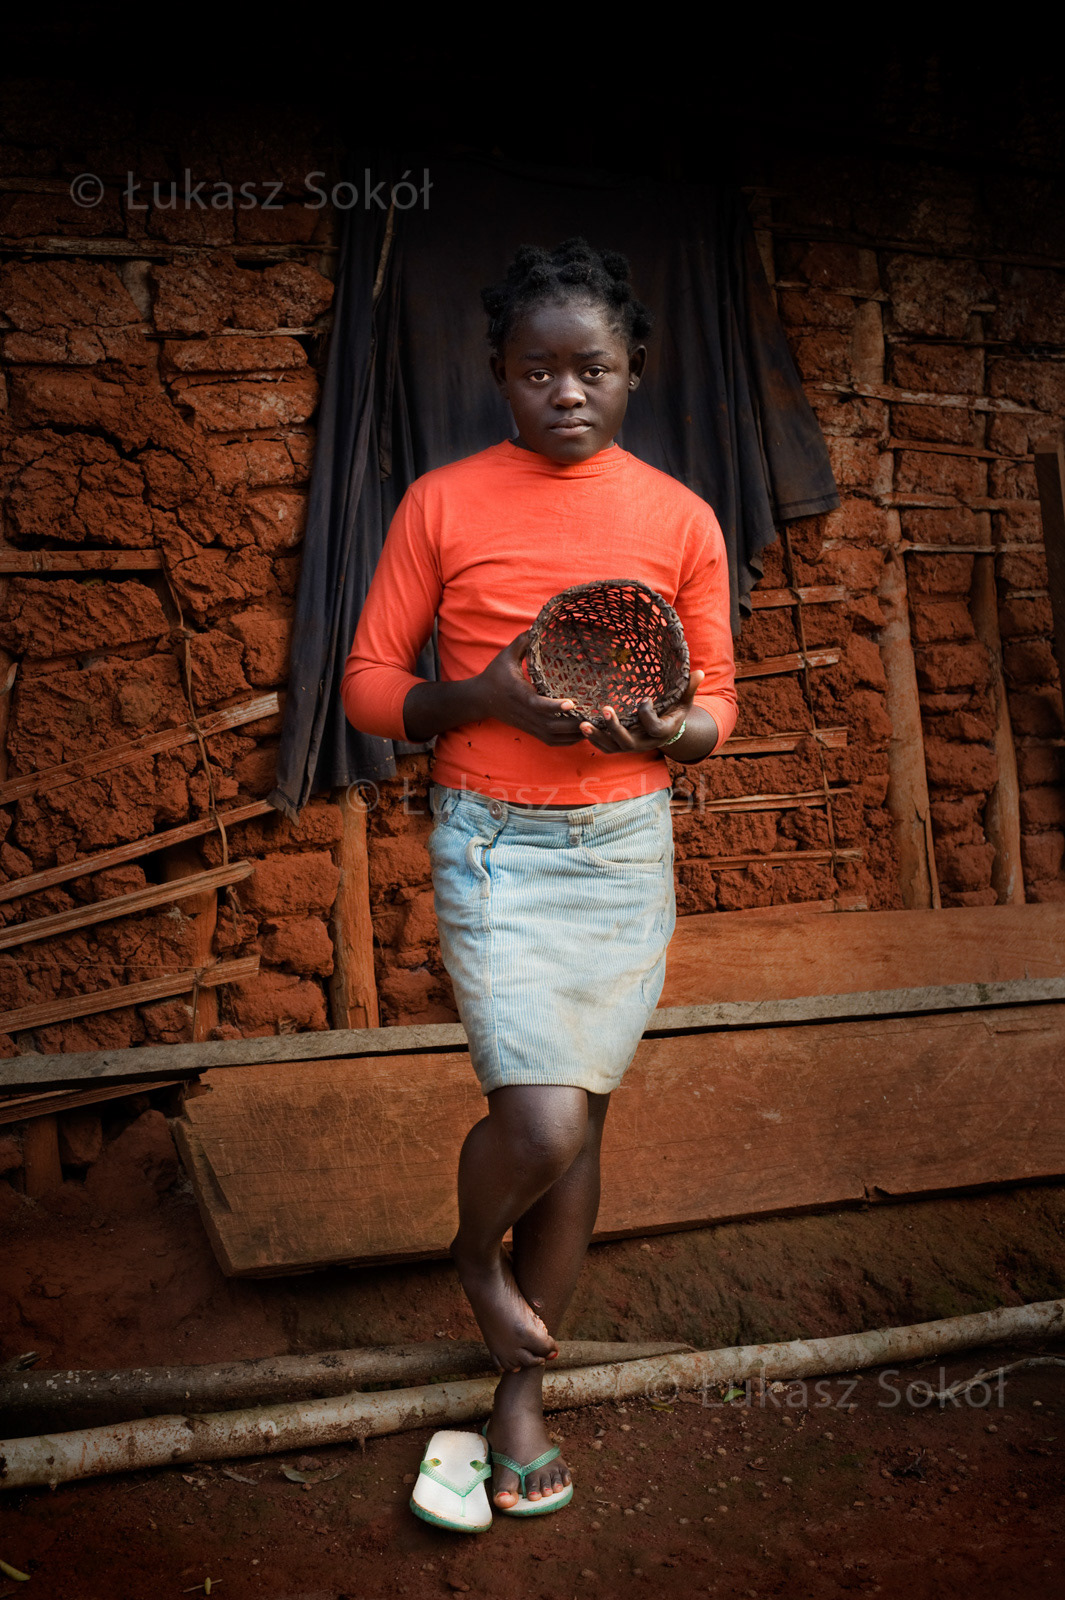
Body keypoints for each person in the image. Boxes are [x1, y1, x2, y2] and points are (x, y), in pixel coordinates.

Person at [341, 239, 737, 1517]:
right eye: (538, 370)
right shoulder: (441, 504)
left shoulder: (681, 517)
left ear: (635, 374)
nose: (567, 392)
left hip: (623, 847)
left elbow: (719, 700)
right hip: (495, 842)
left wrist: (670, 733)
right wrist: (485, 696)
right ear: (501, 377)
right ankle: (472, 1259)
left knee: (586, 1123)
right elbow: (364, 688)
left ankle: (521, 1391)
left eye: (594, 368)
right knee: (541, 1120)